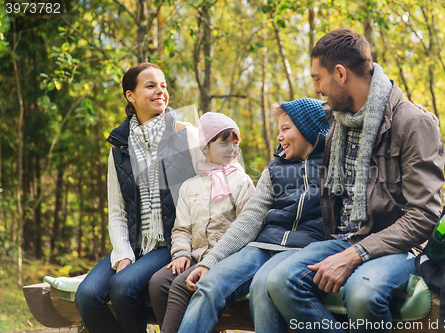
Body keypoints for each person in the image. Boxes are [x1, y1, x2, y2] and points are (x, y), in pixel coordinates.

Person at [265, 29, 445, 333]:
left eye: (317, 78)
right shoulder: (342, 118)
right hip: (342, 238)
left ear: (340, 74)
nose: (317, 89)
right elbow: (298, 123)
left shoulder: (412, 123)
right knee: (279, 281)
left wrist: (356, 254)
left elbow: (425, 215)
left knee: (361, 294)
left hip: (399, 246)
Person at [176, 98, 331, 333]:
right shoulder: (273, 170)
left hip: (302, 249)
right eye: (278, 130)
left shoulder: (334, 167)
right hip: (261, 246)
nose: (279, 137)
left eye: (285, 129)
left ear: (308, 129)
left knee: (263, 286)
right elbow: (248, 220)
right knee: (209, 284)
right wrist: (211, 261)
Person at [75, 62, 202, 333]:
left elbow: (211, 188)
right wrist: (123, 255)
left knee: (123, 287)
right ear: (130, 96)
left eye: (163, 85)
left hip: (171, 243)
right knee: (87, 295)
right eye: (151, 85)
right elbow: (118, 211)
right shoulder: (119, 147)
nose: (160, 91)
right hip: (134, 244)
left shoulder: (185, 133)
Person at [148, 112, 255, 333]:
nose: (232, 150)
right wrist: (181, 254)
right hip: (196, 256)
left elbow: (248, 226)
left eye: (235, 144)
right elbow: (181, 229)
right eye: (224, 143)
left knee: (180, 286)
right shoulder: (190, 186)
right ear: (205, 147)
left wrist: (217, 258)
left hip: (225, 258)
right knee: (158, 282)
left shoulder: (241, 181)